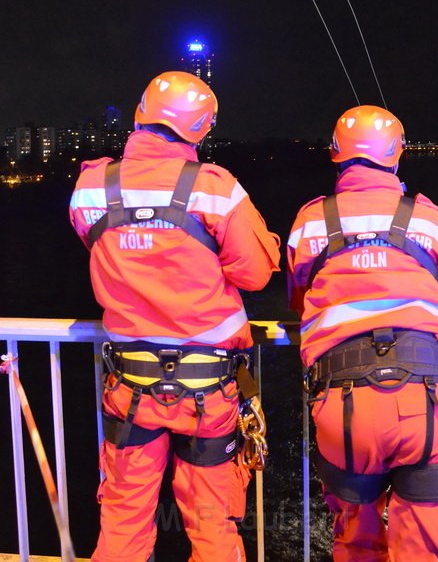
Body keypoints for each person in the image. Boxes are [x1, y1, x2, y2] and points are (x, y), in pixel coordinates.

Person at [69, 70, 280, 562]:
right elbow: (254, 274)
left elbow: (94, 240)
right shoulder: (215, 189)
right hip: (209, 391)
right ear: (202, 130)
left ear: (139, 114)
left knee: (122, 521)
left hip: (130, 387)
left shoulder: (92, 185)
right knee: (210, 527)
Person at [286, 104, 438, 561]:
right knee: (430, 546)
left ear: (335, 154)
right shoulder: (432, 220)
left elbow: (300, 301)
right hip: (428, 400)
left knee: (356, 544)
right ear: (397, 153)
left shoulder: (311, 222)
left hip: (343, 403)